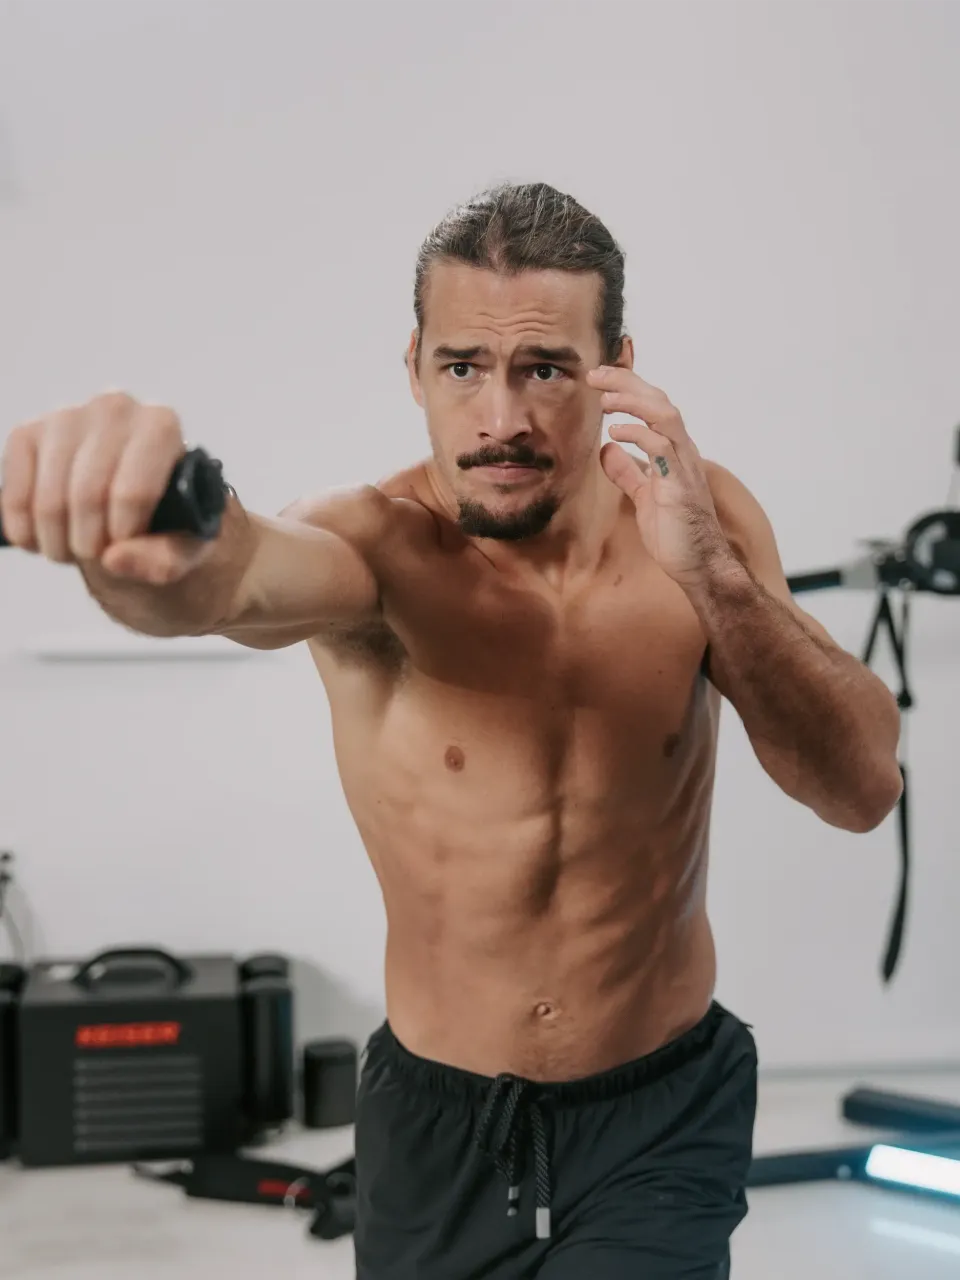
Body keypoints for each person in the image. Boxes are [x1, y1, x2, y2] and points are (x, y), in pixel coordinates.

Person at [0, 182, 902, 1278]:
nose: (501, 417)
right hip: (436, 1125)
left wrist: (710, 570)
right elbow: (226, 578)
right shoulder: (376, 546)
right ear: (416, 367)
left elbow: (862, 786)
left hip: (660, 1112)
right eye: (463, 366)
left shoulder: (701, 519)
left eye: (546, 370)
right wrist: (138, 542)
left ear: (616, 366)